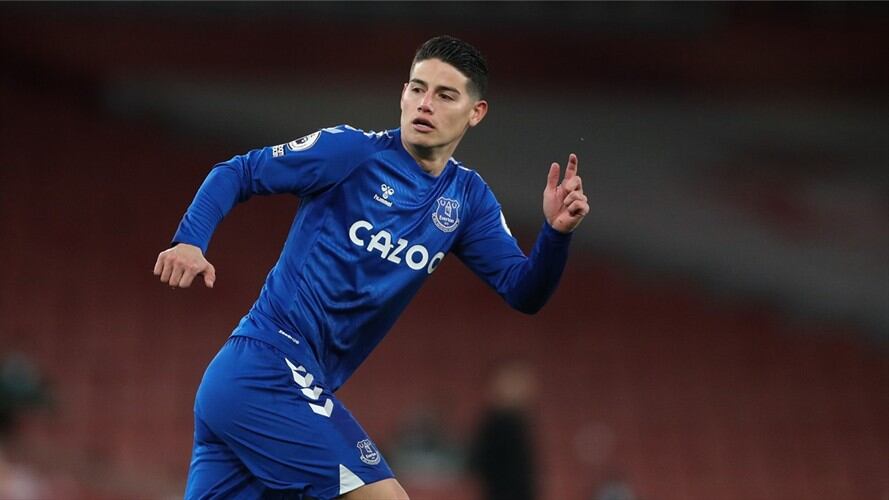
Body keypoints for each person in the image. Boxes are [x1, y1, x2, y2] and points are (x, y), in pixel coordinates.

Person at [154, 35, 588, 500]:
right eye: (417, 89)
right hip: (266, 368)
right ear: (403, 94)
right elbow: (237, 171)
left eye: (444, 95)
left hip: (267, 387)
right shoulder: (351, 154)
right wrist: (191, 241)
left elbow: (524, 291)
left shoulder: (467, 200)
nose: (425, 104)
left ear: (475, 112)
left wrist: (555, 234)